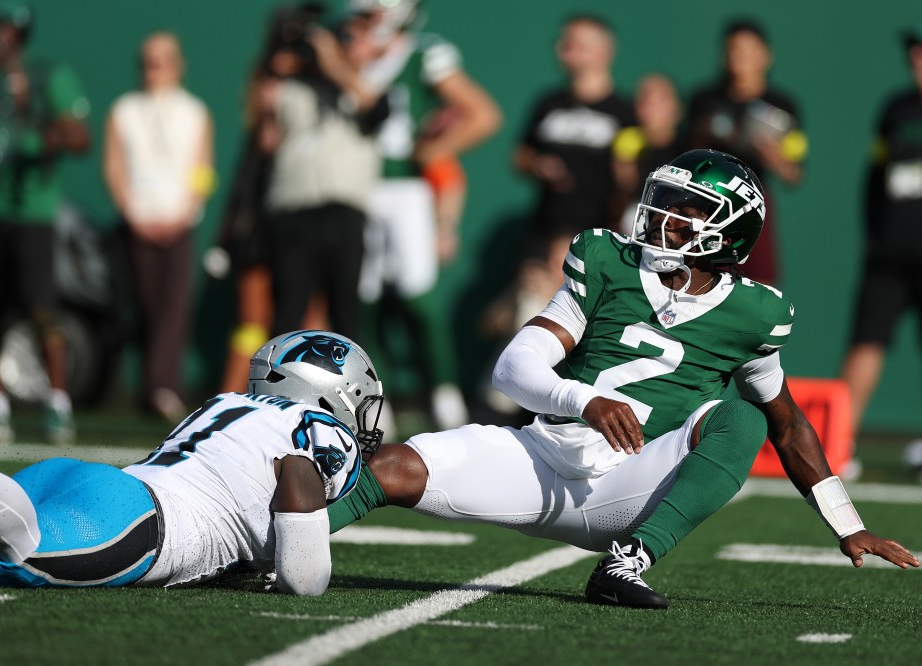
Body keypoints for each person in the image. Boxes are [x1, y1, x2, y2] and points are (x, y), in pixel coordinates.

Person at [327, 150, 920, 609]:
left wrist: (850, 524)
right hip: (543, 457)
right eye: (664, 201)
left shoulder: (755, 314)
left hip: (631, 487)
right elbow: (515, 367)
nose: (663, 216)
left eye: (688, 210)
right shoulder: (608, 261)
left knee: (742, 416)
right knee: (392, 467)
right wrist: (584, 399)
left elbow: (787, 427)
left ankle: (624, 565)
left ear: (730, 231)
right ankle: (274, 547)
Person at [0, 330, 385, 594]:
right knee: (22, 553)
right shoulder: (325, 432)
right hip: (138, 522)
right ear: (332, 392)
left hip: (94, 483)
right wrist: (306, 568)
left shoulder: (227, 403)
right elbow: (302, 560)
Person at [347, 0, 502, 431]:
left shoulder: (423, 53)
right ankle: (376, 396)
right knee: (363, 298)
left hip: (405, 191)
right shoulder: (351, 53)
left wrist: (434, 150)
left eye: (378, 7)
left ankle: (443, 391)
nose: (370, 15)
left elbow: (483, 114)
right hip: (355, 188)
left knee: (418, 298)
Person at [0, 0, 91, 444]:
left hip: (33, 213)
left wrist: (36, 126)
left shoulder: (48, 77)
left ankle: (57, 402)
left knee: (41, 306)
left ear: (16, 31)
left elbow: (79, 136)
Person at [258, 3, 390, 341]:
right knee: (288, 309)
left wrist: (334, 64)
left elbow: (377, 109)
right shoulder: (290, 88)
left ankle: (355, 391)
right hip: (294, 211)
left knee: (345, 311)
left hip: (344, 213)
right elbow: (264, 139)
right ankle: (277, 391)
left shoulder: (364, 87)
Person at [103, 32, 214, 423]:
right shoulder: (124, 110)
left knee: (174, 308)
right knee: (146, 306)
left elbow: (203, 169)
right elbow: (114, 167)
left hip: (179, 223)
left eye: (162, 60)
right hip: (137, 223)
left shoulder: (196, 112)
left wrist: (187, 212)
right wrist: (133, 214)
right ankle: (149, 387)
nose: (155, 69)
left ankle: (164, 388)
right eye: (148, 61)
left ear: (177, 63)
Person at [513, 14, 635, 313]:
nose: (563, 50)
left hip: (598, 242)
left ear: (602, 53)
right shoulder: (548, 103)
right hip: (544, 235)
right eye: (563, 43)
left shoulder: (624, 113)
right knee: (529, 315)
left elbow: (631, 184)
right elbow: (520, 156)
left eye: (573, 45)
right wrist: (537, 165)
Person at [841, 22, 922, 436]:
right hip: (888, 255)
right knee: (866, 343)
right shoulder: (896, 109)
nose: (916, 60)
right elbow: (874, 179)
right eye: (914, 53)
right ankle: (839, 442)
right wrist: (873, 237)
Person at [687, 19, 807, 286]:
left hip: (754, 200)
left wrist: (774, 156)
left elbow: (794, 173)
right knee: (700, 275)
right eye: (732, 49)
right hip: (705, 199)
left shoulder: (782, 106)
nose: (738, 58)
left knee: (758, 281)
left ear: (765, 56)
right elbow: (685, 153)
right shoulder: (705, 100)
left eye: (747, 50)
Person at [611, 73, 685, 234]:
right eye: (643, 102)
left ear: (677, 108)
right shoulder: (623, 150)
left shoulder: (688, 152)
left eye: (658, 102)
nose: (649, 110)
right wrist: (623, 184)